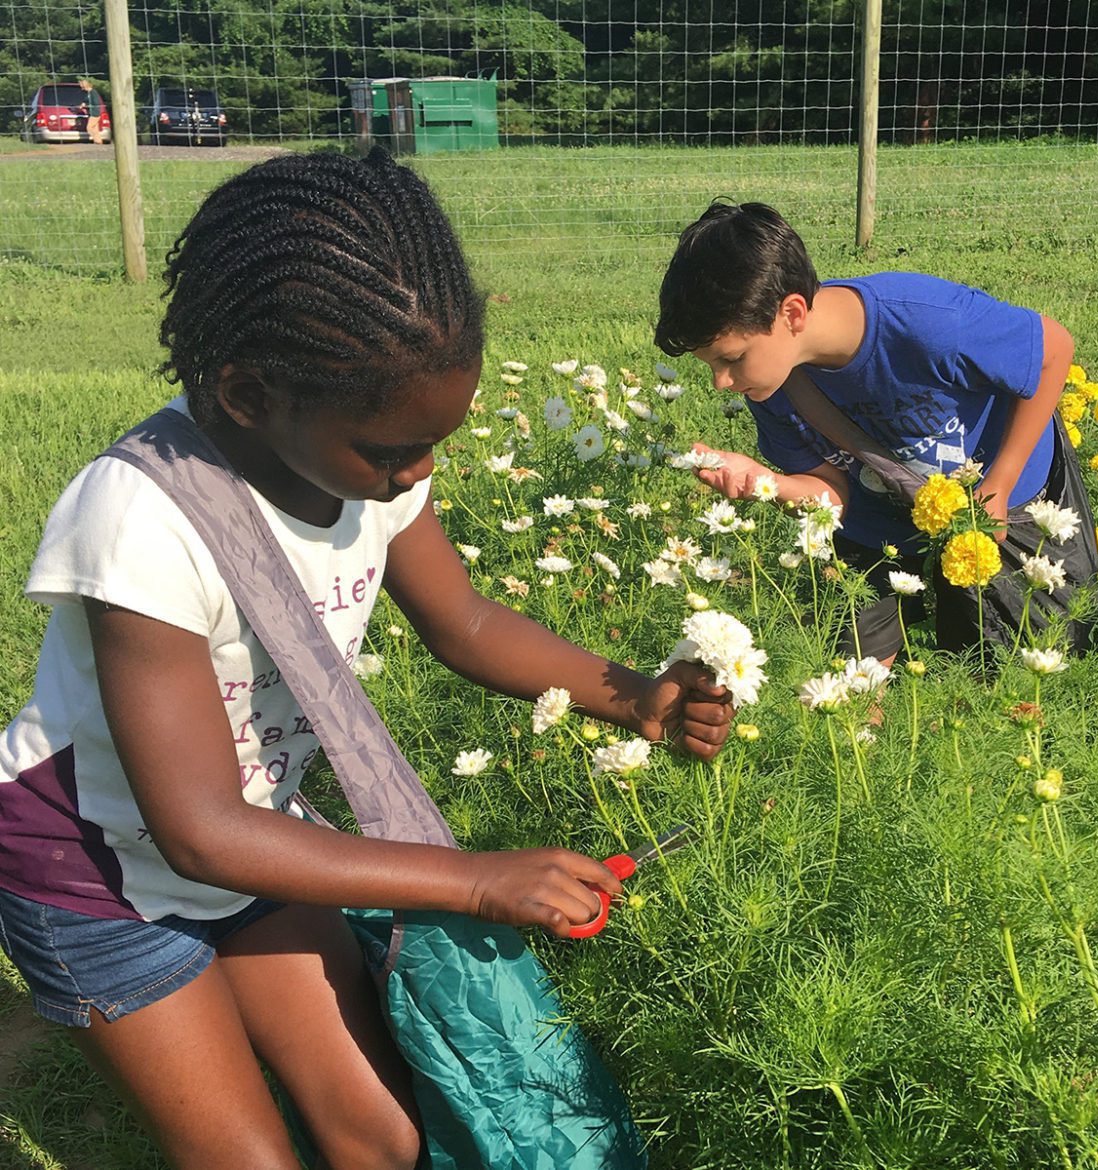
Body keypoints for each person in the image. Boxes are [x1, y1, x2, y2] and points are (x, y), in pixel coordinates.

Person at [0, 150, 732, 1170]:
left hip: (259, 845)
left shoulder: (366, 463)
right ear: (250, 394)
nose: (416, 474)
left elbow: (462, 620)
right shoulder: (139, 518)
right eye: (391, 453)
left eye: (432, 444)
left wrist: (635, 697)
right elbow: (201, 833)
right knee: (248, 1160)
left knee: (383, 1140)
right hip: (97, 875)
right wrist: (472, 882)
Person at [655, 199, 1098, 663]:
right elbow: (833, 494)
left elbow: (1053, 349)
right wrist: (765, 483)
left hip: (997, 509)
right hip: (879, 527)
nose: (721, 383)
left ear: (791, 314)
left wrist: (1000, 485)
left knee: (1010, 667)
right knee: (851, 679)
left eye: (731, 359)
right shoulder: (773, 385)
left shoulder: (925, 322)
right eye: (712, 366)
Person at [79, 77, 103, 143]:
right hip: (90, 113)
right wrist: (83, 104)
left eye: (82, 87)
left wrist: (86, 106)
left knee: (89, 128)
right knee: (95, 129)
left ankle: (96, 139)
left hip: (95, 113)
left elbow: (96, 102)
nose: (81, 88)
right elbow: (85, 100)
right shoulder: (88, 93)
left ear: (86, 85)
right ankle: (98, 141)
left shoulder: (93, 92)